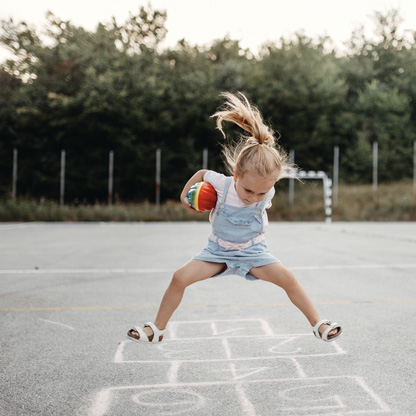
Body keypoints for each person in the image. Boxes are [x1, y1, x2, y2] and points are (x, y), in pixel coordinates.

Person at [127, 92, 342, 344]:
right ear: (236, 175)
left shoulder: (267, 189)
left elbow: (260, 191)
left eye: (261, 192)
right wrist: (185, 198)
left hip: (254, 252)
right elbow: (201, 173)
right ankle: (157, 329)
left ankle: (318, 324)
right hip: (217, 252)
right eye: (248, 190)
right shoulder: (222, 184)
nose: (253, 197)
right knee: (179, 278)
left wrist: (261, 194)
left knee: (288, 279)